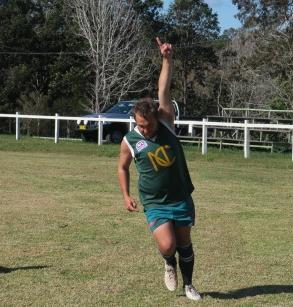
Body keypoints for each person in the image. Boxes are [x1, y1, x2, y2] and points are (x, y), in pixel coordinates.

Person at [117, 37, 202, 301]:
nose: (144, 129)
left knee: (184, 243)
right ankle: (168, 262)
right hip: (154, 202)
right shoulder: (130, 140)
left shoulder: (165, 123)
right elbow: (122, 168)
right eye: (140, 125)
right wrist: (126, 195)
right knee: (168, 245)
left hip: (180, 197)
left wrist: (166, 58)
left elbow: (163, 88)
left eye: (147, 124)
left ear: (157, 116)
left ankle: (189, 285)